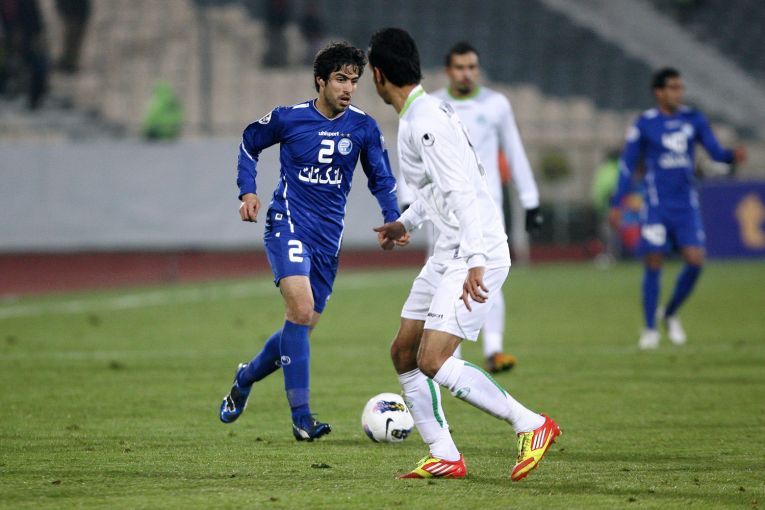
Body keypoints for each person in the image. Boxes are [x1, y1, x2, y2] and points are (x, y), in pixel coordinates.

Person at [368, 27, 560, 481]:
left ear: (378, 75)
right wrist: (406, 224)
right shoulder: (424, 113)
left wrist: (475, 259)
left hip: (474, 251)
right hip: (449, 251)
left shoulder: (425, 122)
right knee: (404, 352)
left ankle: (531, 424)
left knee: (433, 359)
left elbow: (461, 193)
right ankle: (445, 454)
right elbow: (441, 190)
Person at [219, 42, 401, 441]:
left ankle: (245, 377)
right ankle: (302, 419)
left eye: (354, 80)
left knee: (300, 326)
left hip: (327, 242)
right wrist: (247, 191)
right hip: (287, 224)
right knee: (300, 310)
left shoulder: (363, 127)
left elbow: (381, 178)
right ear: (320, 81)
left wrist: (393, 217)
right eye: (340, 79)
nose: (348, 88)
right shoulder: (289, 118)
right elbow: (249, 141)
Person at [608, 67, 746, 350]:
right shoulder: (645, 124)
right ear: (658, 92)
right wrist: (617, 202)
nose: (678, 93)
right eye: (673, 88)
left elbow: (716, 152)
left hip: (686, 205)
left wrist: (732, 155)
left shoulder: (693, 119)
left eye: (680, 87)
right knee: (653, 260)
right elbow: (627, 165)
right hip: (656, 206)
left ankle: (669, 313)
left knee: (695, 261)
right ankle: (650, 329)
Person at [434, 41, 542, 373]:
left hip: (487, 209)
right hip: (446, 209)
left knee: (489, 273)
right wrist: (409, 199)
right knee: (445, 277)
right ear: (448, 70)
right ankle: (450, 355)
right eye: (460, 67)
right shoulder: (433, 105)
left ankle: (494, 349)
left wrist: (530, 199)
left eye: (471, 67)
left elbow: (514, 150)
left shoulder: (496, 104)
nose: (466, 73)